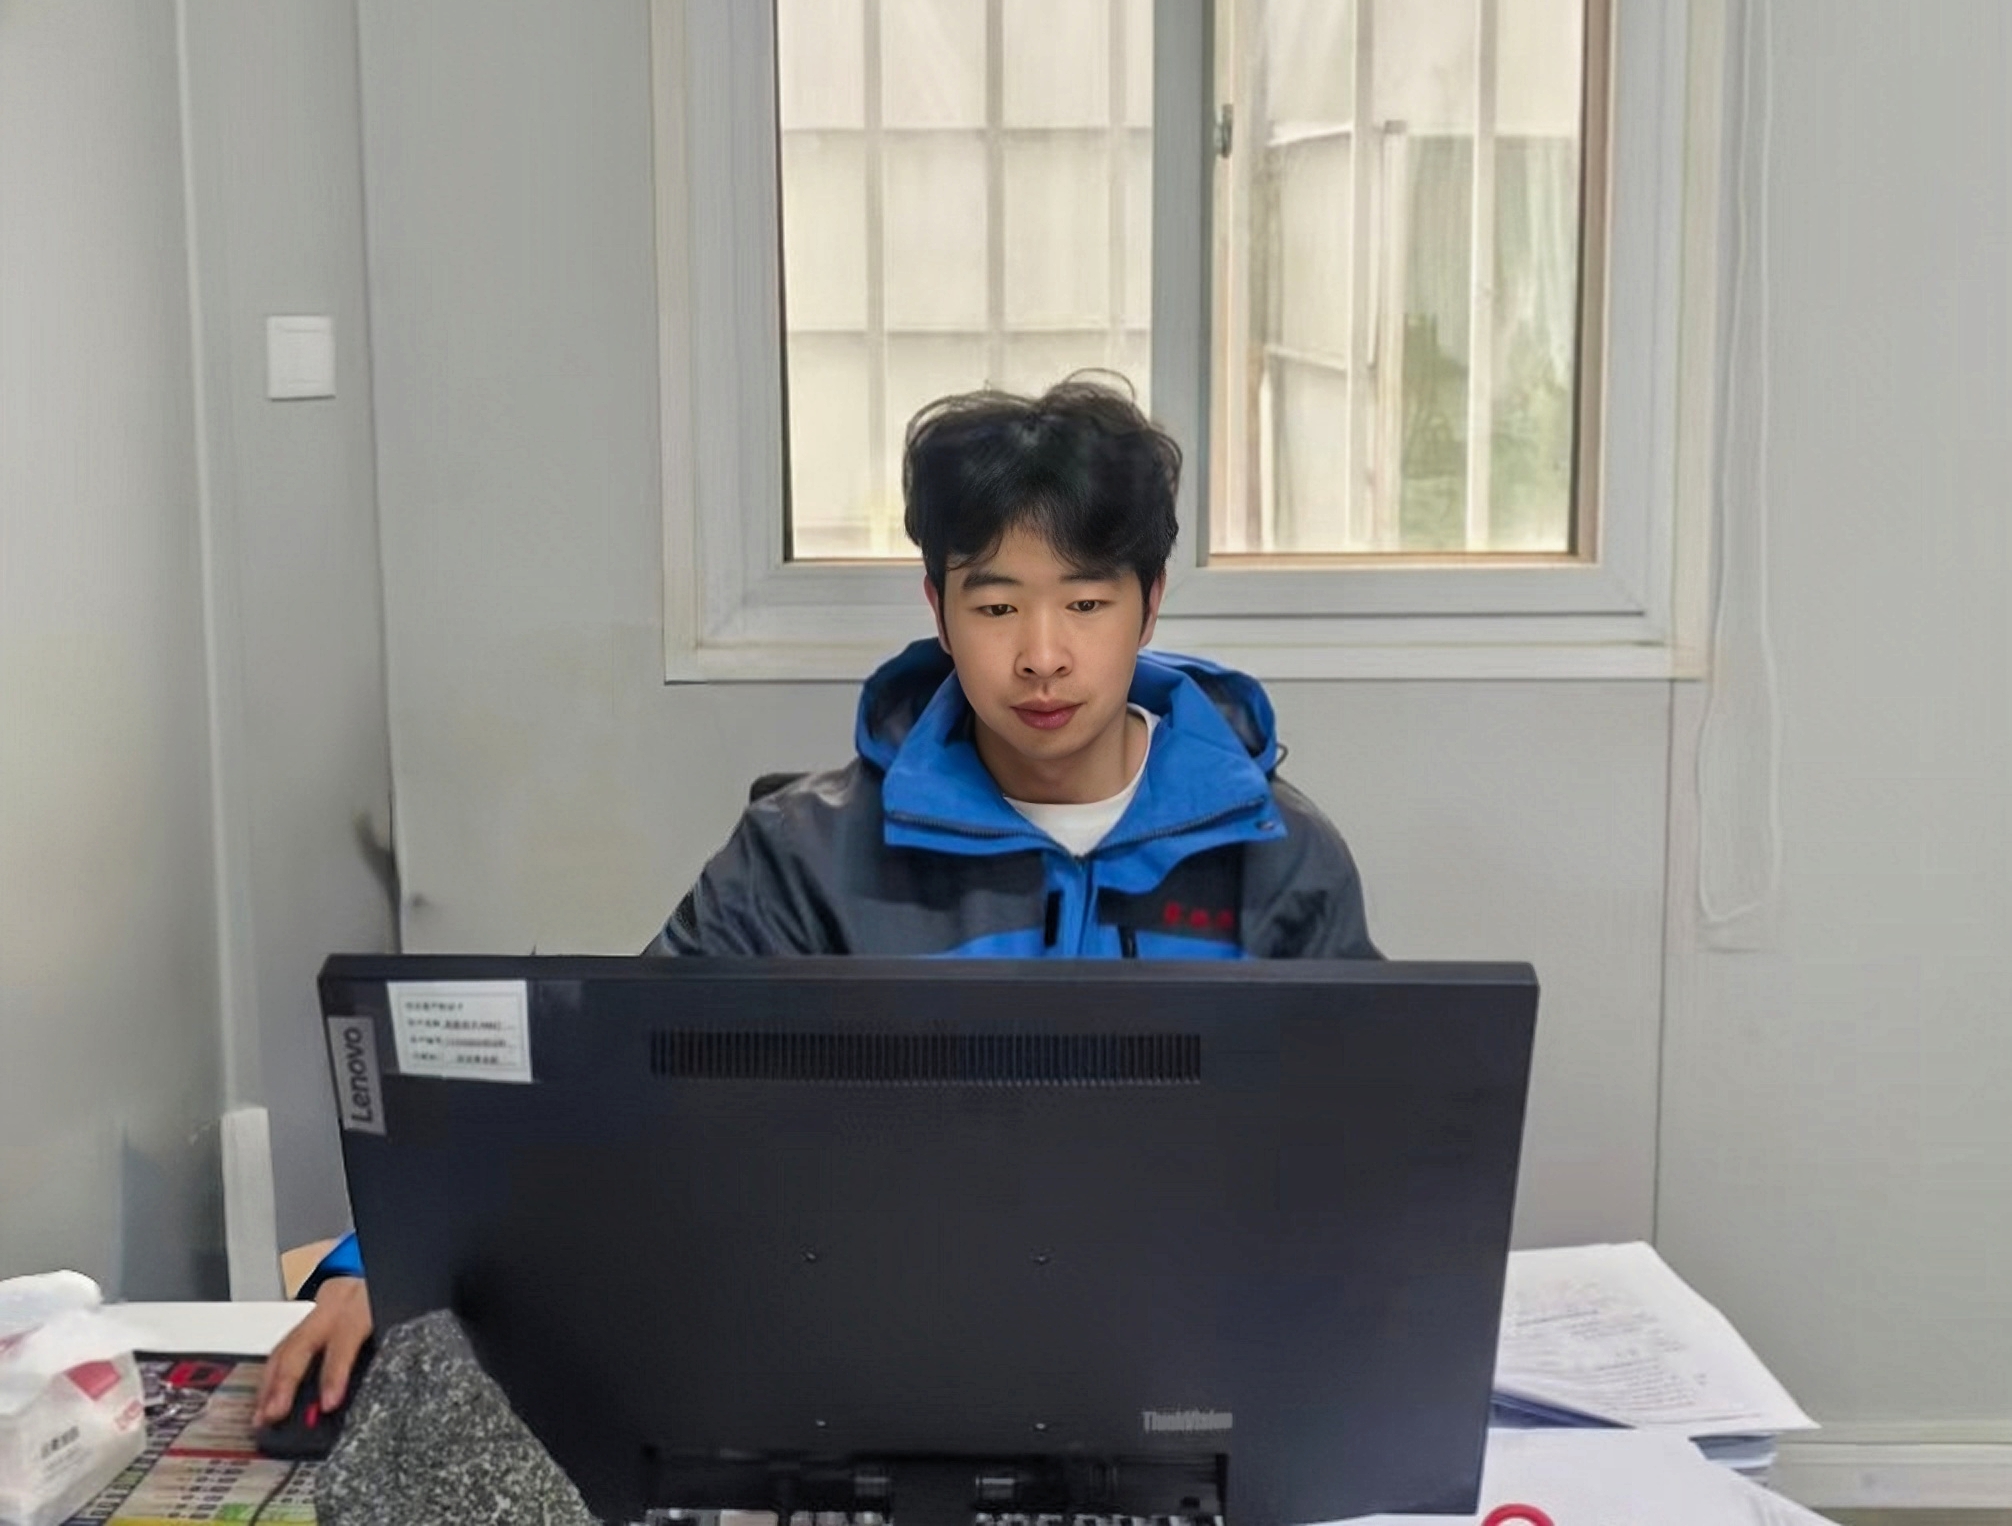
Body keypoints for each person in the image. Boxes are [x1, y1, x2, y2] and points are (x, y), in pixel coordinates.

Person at [255, 377, 1379, 1427]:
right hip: (861, 1376)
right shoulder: (804, 856)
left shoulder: (1275, 858)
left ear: (1149, 604)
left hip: (1182, 1382)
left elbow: (1366, 1150)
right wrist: (393, 1262)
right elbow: (605, 1086)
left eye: (1085, 602)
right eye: (996, 605)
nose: (1043, 657)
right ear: (937, 607)